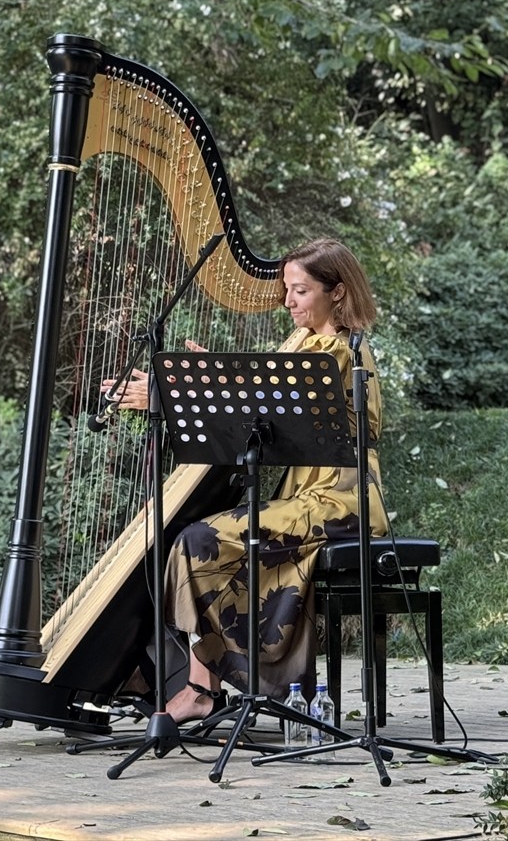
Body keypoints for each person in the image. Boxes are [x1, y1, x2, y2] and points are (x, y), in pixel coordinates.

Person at [99, 238, 390, 724]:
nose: (289, 301)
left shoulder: (333, 350)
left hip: (338, 505)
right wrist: (208, 384)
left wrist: (179, 387)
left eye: (300, 290)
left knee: (198, 541)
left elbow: (274, 403)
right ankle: (193, 682)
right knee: (201, 538)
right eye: (286, 290)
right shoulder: (307, 346)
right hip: (307, 500)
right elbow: (267, 412)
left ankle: (200, 690)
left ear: (337, 293)